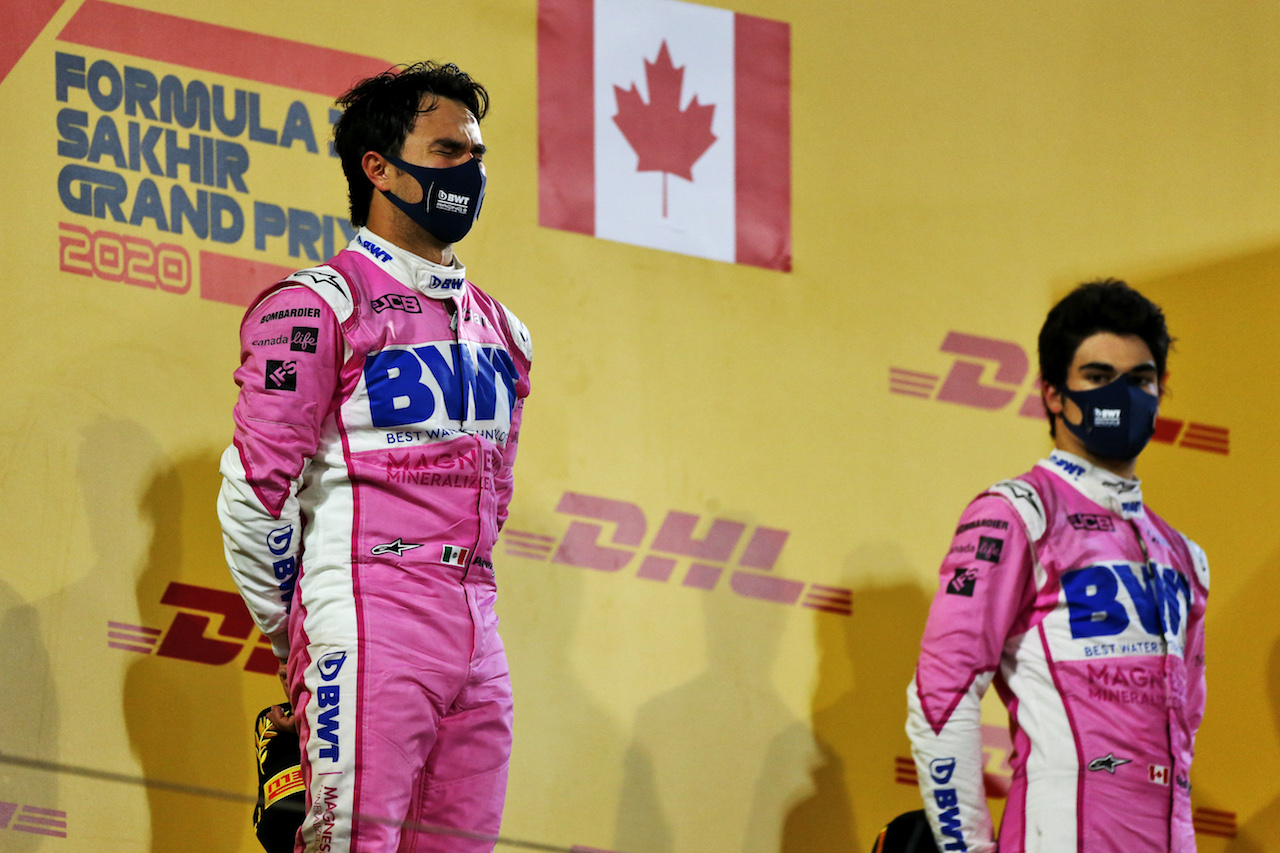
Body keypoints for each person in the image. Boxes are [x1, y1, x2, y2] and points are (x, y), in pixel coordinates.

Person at [218, 61, 532, 852]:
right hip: (367, 612)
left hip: (477, 627)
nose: (472, 169)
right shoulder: (318, 304)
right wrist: (302, 640)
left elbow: (494, 501)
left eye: (477, 153)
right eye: (449, 150)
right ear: (379, 167)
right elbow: (255, 497)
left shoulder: (507, 332)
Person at [906, 280, 1208, 853]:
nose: (1121, 397)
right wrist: (965, 849)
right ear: (1051, 393)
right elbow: (940, 694)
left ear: (1161, 391)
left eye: (1140, 380)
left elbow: (1183, 733)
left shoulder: (1183, 555)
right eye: (1097, 379)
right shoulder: (1017, 513)